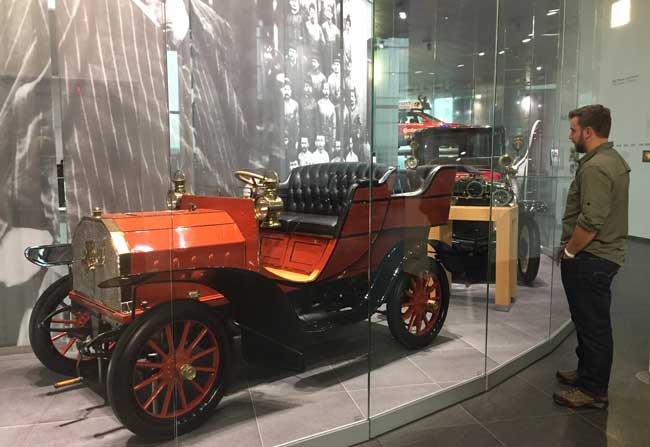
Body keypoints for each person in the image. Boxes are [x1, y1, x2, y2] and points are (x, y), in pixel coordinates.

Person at [553, 105, 630, 409]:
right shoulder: (611, 159)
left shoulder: (597, 166)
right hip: (599, 257)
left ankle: (593, 390)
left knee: (593, 326)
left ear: (588, 131)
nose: (570, 136)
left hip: (591, 258)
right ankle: (586, 375)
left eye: (573, 130)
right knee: (586, 321)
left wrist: (570, 251)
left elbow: (591, 221)